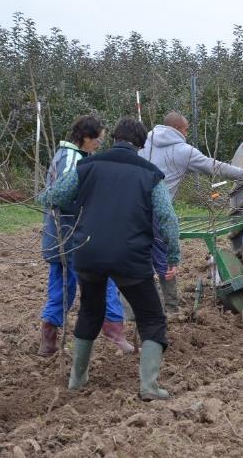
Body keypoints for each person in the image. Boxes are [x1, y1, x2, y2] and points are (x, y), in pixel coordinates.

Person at [39, 117, 179, 400]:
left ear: (114, 139)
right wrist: (173, 255)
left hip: (88, 253)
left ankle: (77, 380)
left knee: (90, 311)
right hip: (130, 258)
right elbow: (168, 219)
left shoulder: (86, 165)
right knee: (152, 318)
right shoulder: (151, 174)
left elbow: (55, 197)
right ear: (141, 145)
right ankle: (149, 387)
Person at [140, 110, 243, 309]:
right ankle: (171, 307)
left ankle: (131, 311)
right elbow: (214, 167)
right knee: (166, 257)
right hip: (158, 211)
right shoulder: (182, 150)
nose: (186, 134)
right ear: (176, 129)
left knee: (135, 259)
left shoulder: (143, 143)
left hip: (132, 210)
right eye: (185, 130)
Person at [39, 115, 133, 357]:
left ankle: (48, 338)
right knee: (106, 277)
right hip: (74, 236)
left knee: (62, 288)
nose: (100, 145)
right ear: (86, 138)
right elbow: (63, 196)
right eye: (98, 140)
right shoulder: (73, 159)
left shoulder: (65, 155)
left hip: (57, 235)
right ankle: (114, 329)